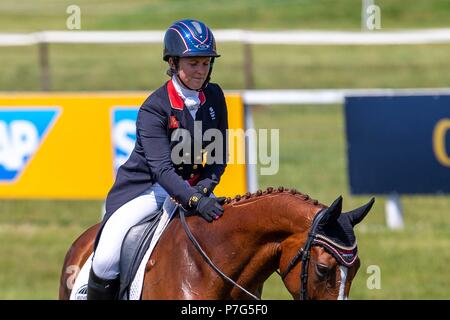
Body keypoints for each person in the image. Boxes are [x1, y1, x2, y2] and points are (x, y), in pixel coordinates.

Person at [87, 19, 228, 300]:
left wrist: (203, 189)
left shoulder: (214, 96)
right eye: (193, 63)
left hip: (192, 189)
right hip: (146, 190)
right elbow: (162, 170)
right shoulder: (155, 108)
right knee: (104, 259)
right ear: (174, 62)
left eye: (206, 63)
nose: (201, 71)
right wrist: (195, 200)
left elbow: (218, 156)